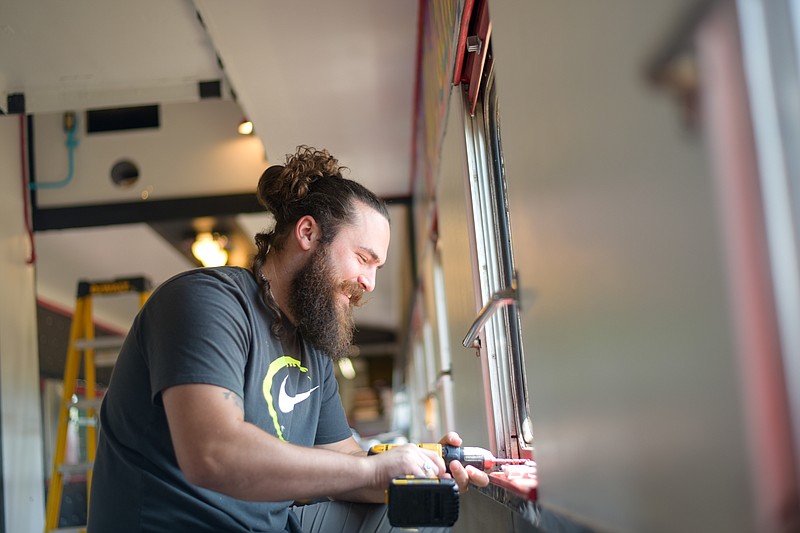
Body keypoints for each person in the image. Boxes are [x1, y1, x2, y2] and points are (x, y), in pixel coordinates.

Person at [87, 145, 489, 532]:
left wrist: (419, 466)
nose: (369, 282)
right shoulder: (207, 301)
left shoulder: (311, 346)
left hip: (269, 525)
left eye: (377, 266)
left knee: (414, 511)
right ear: (308, 233)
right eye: (364, 258)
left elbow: (346, 463)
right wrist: (372, 468)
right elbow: (213, 453)